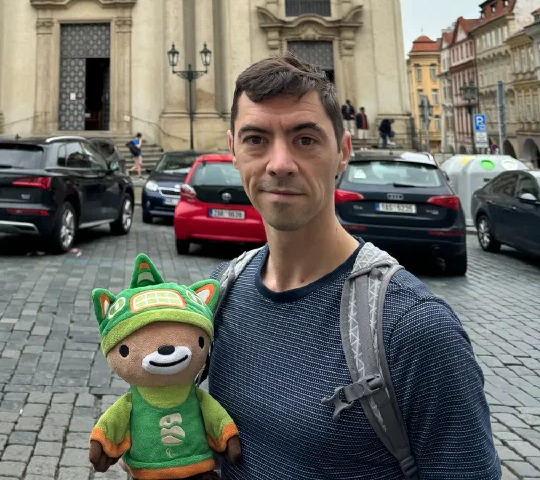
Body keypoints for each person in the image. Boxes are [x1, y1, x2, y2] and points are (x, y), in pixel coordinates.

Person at [207, 54, 500, 480]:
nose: (280, 163)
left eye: (305, 139)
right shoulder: (221, 292)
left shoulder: (415, 328)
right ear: (231, 149)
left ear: (344, 152)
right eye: (256, 139)